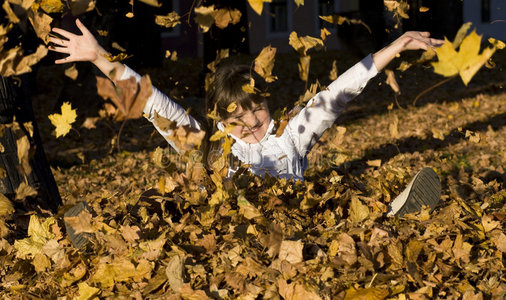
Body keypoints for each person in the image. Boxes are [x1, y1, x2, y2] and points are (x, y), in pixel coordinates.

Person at [49, 19, 444, 217]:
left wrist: (395, 46)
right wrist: (100, 58)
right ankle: (91, 231)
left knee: (341, 213)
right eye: (238, 117)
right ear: (220, 120)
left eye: (257, 107)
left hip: (296, 226)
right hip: (232, 236)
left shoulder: (292, 135)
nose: (253, 121)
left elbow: (338, 93)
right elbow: (153, 103)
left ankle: (395, 214)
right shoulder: (207, 145)